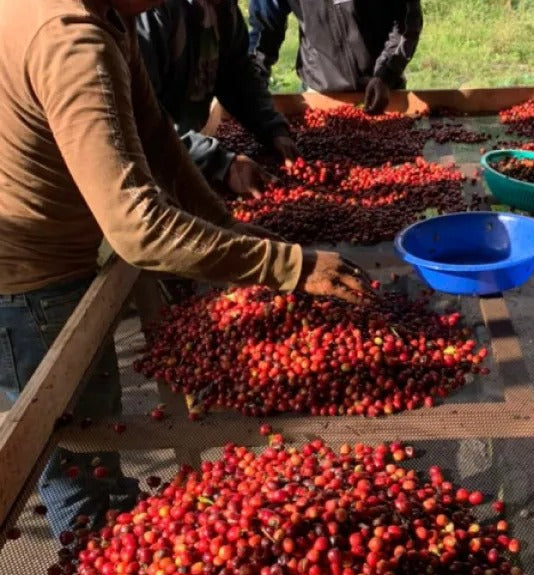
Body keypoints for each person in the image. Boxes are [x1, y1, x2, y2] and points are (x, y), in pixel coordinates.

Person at [0, 0, 371, 537]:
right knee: (82, 467)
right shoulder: (73, 42)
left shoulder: (106, 18)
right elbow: (138, 227)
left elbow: (159, 142)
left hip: (51, 262)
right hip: (30, 284)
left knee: (96, 442)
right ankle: (99, 569)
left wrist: (227, 225)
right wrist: (286, 264)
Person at [137, 0, 299, 198]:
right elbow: (142, 123)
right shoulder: (151, 12)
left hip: (186, 156)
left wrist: (273, 129)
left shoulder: (224, 9)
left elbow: (238, 78)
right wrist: (221, 163)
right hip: (144, 174)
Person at [247, 0, 423, 115]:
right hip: (320, 90)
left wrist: (386, 73)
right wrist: (251, 87)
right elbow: (265, 30)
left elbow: (407, 20)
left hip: (384, 88)